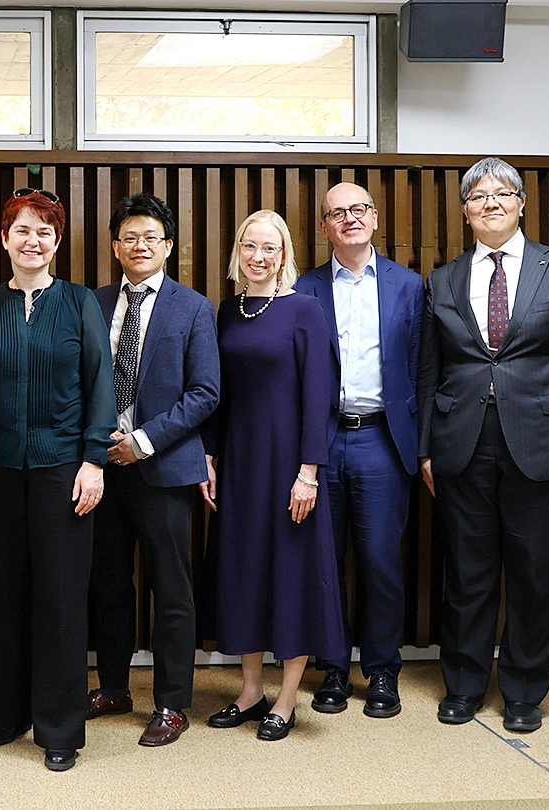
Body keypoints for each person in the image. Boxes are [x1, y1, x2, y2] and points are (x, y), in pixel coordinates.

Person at [418, 157, 549, 734]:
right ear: (465, 212)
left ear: (522, 204)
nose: (490, 203)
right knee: (466, 572)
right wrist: (425, 448)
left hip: (544, 442)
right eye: (478, 196)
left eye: (502, 193)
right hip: (461, 442)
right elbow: (430, 371)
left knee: (534, 571)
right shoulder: (443, 280)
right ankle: (464, 685)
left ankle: (524, 690)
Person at [0, 187, 115, 771]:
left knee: (60, 598)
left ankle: (59, 728)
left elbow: (100, 383)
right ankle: (9, 714)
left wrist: (95, 460)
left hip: (64, 472)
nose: (32, 241)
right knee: (6, 594)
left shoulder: (79, 302)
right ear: (5, 239)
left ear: (57, 242)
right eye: (22, 231)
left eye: (44, 232)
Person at [202, 209, 343, 742]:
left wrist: (309, 472)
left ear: (284, 255)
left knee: (291, 573)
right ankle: (250, 690)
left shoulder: (305, 309)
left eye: (269, 248)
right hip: (240, 461)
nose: (258, 257)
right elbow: (219, 394)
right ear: (237, 251)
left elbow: (319, 396)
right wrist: (210, 456)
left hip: (289, 463)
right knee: (244, 571)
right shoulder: (228, 310)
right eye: (249, 246)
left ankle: (286, 698)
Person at [87, 192, 219, 746]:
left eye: (150, 238)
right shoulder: (91, 303)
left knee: (171, 588)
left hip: (163, 467)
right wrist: (100, 443)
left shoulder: (194, 307)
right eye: (129, 238)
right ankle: (114, 687)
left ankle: (171, 703)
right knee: (108, 585)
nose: (139, 246)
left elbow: (205, 392)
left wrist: (142, 442)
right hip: (101, 468)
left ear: (168, 246)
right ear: (116, 246)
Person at [294, 183, 424, 719]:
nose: (349, 218)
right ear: (324, 227)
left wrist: (423, 447)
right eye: (337, 213)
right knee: (324, 560)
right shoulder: (304, 288)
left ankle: (383, 669)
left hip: (382, 439)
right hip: (321, 440)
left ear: (374, 219)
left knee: (380, 560)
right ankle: (332, 666)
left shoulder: (409, 285)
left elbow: (423, 368)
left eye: (358, 209)